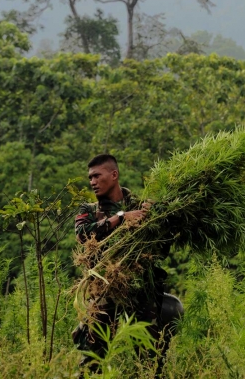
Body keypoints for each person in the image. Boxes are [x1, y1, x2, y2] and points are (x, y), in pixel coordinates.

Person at [73, 153, 183, 372]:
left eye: (97, 176)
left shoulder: (141, 206)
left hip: (139, 288)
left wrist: (157, 219)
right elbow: (82, 234)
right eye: (90, 178)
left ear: (114, 175)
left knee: (149, 358)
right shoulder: (89, 210)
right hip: (103, 290)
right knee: (93, 359)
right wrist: (122, 218)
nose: (92, 182)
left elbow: (162, 247)